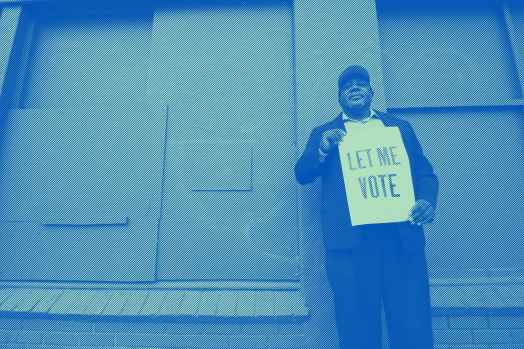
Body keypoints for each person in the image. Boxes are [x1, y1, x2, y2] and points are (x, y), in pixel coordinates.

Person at [294, 65, 439, 349]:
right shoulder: (325, 133)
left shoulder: (399, 128)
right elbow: (302, 173)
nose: (354, 88)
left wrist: (426, 201)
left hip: (399, 241)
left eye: (361, 83)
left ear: (371, 93)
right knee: (356, 325)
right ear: (340, 98)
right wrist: (321, 149)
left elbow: (424, 174)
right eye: (347, 86)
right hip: (351, 248)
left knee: (411, 321)